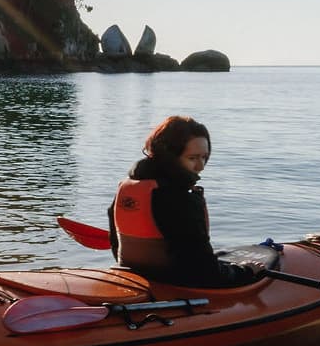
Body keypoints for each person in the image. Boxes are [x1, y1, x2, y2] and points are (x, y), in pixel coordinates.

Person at [109, 114, 260, 289]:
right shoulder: (178, 198)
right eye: (193, 158)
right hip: (175, 283)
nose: (201, 166)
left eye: (204, 157)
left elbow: (115, 241)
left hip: (132, 276)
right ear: (170, 156)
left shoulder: (129, 187)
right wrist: (245, 272)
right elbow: (204, 272)